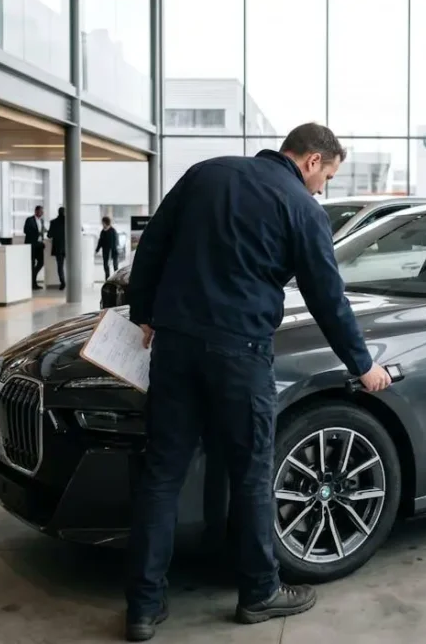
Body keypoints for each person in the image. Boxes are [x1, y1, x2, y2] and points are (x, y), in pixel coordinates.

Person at [123, 123, 393, 641]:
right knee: (250, 473)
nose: (323, 189)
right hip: (239, 352)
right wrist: (362, 365)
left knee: (161, 475)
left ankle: (143, 607)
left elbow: (153, 241)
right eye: (327, 177)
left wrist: (144, 311)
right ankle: (259, 592)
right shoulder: (301, 207)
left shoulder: (207, 174)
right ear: (313, 160)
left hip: (175, 345)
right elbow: (327, 297)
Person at [23, 205, 46, 289]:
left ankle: (33, 277)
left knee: (41, 262)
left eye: (43, 211)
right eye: (41, 211)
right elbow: (25, 230)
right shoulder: (29, 220)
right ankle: (33, 284)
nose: (42, 213)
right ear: (36, 211)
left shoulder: (42, 221)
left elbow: (43, 230)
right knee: (31, 263)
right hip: (32, 244)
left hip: (39, 244)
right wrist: (37, 233)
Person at [48, 207, 67, 291]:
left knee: (60, 266)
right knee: (71, 266)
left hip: (58, 247)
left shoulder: (53, 222)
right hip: (69, 247)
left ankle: (62, 282)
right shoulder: (69, 221)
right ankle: (73, 282)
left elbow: (49, 235)